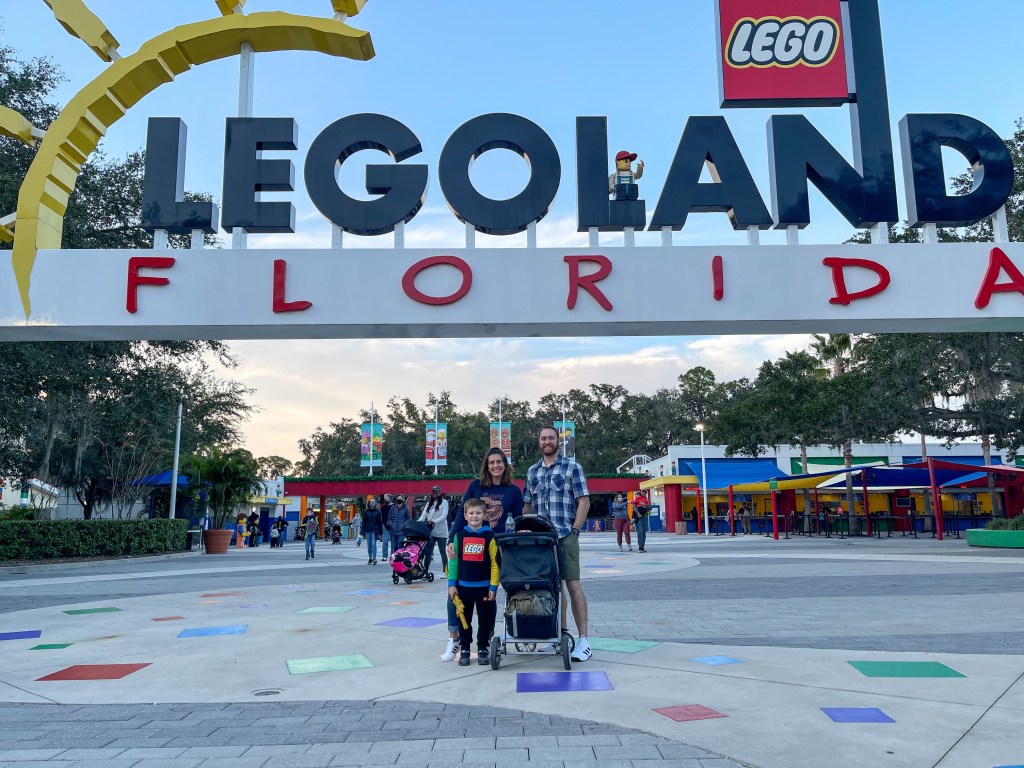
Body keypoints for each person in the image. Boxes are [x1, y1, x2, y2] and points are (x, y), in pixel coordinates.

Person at [441, 447, 524, 662]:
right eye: (491, 462)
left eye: (499, 462)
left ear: (505, 464)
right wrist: (451, 539)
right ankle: (454, 639)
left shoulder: (513, 491)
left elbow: (517, 521)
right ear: (486, 466)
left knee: (492, 596)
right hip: (468, 545)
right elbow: (462, 514)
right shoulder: (475, 486)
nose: (495, 466)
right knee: (455, 593)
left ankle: (486, 640)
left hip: (497, 548)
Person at [523, 425, 592, 662]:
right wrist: (525, 530)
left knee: (573, 585)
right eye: (543, 438)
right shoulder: (532, 471)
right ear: (539, 442)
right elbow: (527, 505)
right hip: (541, 540)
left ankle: (583, 640)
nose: (547, 441)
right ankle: (560, 637)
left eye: (551, 438)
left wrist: (575, 530)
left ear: (558, 441)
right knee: (552, 588)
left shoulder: (573, 467)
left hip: (565, 535)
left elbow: (584, 501)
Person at [447, 498, 499, 666]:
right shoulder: (459, 535)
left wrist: (493, 585)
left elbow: (495, 563)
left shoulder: (490, 536)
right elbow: (454, 562)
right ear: (465, 515)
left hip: (484, 588)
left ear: (484, 515)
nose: (474, 516)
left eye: (478, 513)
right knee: (464, 620)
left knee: (485, 620)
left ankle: (483, 647)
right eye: (471, 513)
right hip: (463, 588)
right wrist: (451, 584)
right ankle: (465, 649)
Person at [419, 485, 449, 575]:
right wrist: (418, 523)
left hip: (441, 531)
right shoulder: (429, 504)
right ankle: (425, 570)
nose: (434, 494)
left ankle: (445, 571)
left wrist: (434, 521)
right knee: (428, 552)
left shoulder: (444, 502)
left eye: (436, 492)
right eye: (433, 492)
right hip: (431, 532)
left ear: (439, 493)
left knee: (442, 551)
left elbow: (444, 516)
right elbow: (423, 516)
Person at [362, 497, 383, 565]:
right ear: (369, 503)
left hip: (374, 530)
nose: (373, 503)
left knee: (373, 544)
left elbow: (380, 522)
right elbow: (363, 522)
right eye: (371, 502)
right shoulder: (365, 511)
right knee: (369, 545)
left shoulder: (378, 511)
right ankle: (370, 558)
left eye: (374, 502)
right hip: (367, 530)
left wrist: (380, 531)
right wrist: (362, 532)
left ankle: (374, 558)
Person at [380, 494, 395, 559]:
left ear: (390, 498)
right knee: (385, 541)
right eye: (384, 498)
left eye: (386, 498)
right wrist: (383, 524)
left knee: (393, 542)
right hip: (385, 527)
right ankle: (384, 556)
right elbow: (382, 517)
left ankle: (393, 556)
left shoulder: (394, 507)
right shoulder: (383, 508)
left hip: (393, 527)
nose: (385, 500)